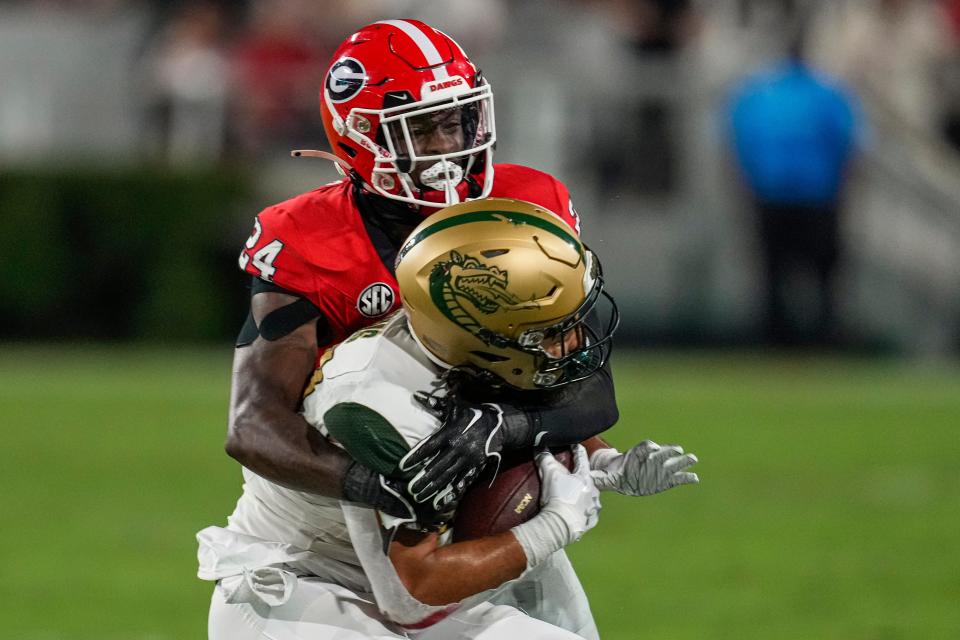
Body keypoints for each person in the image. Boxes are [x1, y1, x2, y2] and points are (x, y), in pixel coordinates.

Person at [198, 199, 700, 639]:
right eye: (554, 330)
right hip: (304, 588)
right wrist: (554, 526)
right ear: (486, 337)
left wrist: (603, 463)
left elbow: (521, 417)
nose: (574, 342)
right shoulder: (378, 407)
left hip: (409, 568)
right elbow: (410, 598)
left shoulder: (469, 350)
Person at [226, 19, 620, 525]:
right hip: (334, 511)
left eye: (454, 122)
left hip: (475, 471)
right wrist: (380, 488)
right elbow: (253, 423)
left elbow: (584, 383)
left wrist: (503, 427)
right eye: (418, 129)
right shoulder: (307, 236)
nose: (445, 148)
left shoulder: (526, 207)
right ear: (361, 138)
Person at [729, 34, 860, 346]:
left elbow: (738, 144)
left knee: (773, 274)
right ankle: (825, 337)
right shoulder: (827, 94)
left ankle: (775, 340)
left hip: (771, 196)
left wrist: (747, 189)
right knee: (824, 276)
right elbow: (849, 145)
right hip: (817, 197)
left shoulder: (757, 94)